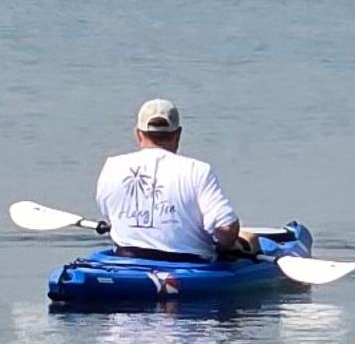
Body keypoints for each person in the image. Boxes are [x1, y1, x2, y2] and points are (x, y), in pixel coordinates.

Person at [97, 95, 255, 262]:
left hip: (127, 261)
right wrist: (229, 245)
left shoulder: (112, 166)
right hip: (188, 266)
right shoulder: (198, 170)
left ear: (138, 134)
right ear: (178, 134)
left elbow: (110, 215)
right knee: (250, 238)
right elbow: (226, 228)